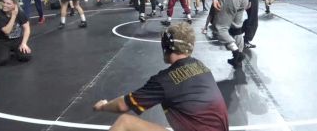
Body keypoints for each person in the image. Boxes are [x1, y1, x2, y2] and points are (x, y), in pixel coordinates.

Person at [93, 22, 229, 131]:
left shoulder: (164, 80)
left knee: (125, 122)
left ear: (166, 47)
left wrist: (102, 106)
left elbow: (123, 105)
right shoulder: (201, 67)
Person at [0, 0, 31, 65]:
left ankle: (14, 49)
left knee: (26, 57)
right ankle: (6, 50)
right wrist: (13, 16)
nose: (4, 5)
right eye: (4, 2)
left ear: (15, 5)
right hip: (3, 41)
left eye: (8, 3)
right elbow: (7, 31)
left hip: (17, 40)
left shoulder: (20, 13)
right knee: (0, 61)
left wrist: (24, 43)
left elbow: (27, 27)